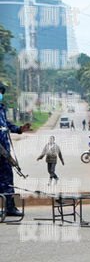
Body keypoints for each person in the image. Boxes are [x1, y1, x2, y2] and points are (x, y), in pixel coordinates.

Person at [0, 82, 31, 217]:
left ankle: (9, 207)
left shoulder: (1, 109)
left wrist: (19, 129)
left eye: (1, 92)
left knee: (7, 179)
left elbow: (6, 125)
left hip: (3, 152)